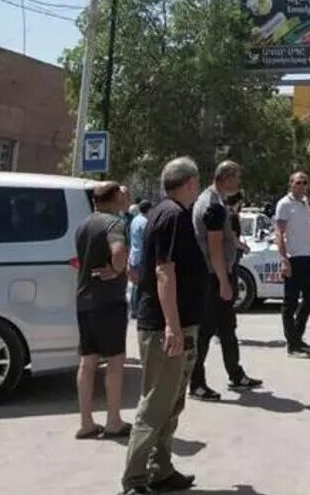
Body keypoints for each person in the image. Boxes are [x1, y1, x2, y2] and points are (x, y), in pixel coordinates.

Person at [123, 158, 207, 495]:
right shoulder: (171, 215)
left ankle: (161, 470)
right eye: (197, 181)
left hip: (178, 324)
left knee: (171, 403)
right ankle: (134, 479)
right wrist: (172, 327)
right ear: (189, 182)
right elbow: (163, 271)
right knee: (156, 403)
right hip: (165, 328)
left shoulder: (169, 212)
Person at [191, 161, 262, 400]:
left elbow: (224, 234)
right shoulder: (210, 204)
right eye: (236, 177)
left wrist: (236, 243)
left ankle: (236, 374)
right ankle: (196, 383)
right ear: (226, 177)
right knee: (205, 331)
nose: (238, 182)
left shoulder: (218, 200)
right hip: (213, 276)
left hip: (222, 273)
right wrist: (223, 281)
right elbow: (213, 248)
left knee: (228, 328)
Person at [74, 181, 132, 441]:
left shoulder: (83, 225)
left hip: (84, 300)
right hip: (108, 301)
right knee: (115, 362)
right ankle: (113, 421)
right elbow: (118, 252)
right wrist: (118, 269)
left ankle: (86, 422)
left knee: (87, 361)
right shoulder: (114, 223)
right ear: (112, 198)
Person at [274, 171, 310, 354]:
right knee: (290, 303)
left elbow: (305, 228)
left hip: (307, 257)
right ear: (290, 184)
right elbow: (279, 233)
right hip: (292, 258)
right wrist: (284, 260)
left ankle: (297, 337)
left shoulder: (305, 202)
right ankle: (292, 343)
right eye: (298, 182)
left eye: (304, 182)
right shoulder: (284, 204)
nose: (301, 185)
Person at [127, 199, 153, 319]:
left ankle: (133, 309)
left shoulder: (135, 220)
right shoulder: (145, 222)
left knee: (134, 284)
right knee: (139, 285)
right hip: (141, 256)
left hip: (134, 254)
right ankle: (137, 309)